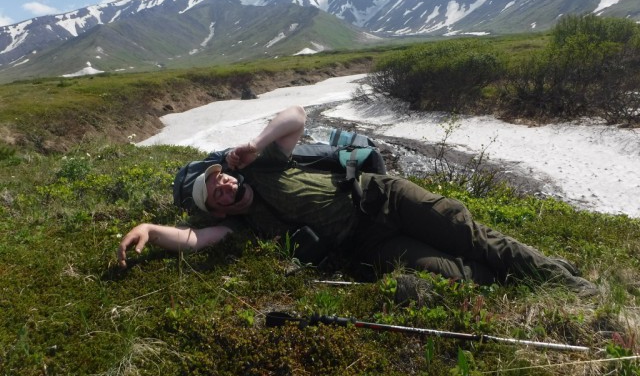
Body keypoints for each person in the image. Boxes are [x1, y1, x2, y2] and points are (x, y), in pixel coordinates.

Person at [118, 105, 598, 295]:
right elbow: (195, 240)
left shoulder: (262, 163)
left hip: (382, 197)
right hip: (366, 245)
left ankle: (569, 285)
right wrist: (149, 231)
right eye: (214, 195)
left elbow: (296, 115)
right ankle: (526, 282)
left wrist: (258, 144)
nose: (222, 187)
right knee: (449, 272)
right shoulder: (240, 226)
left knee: (467, 232)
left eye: (218, 179)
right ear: (220, 210)